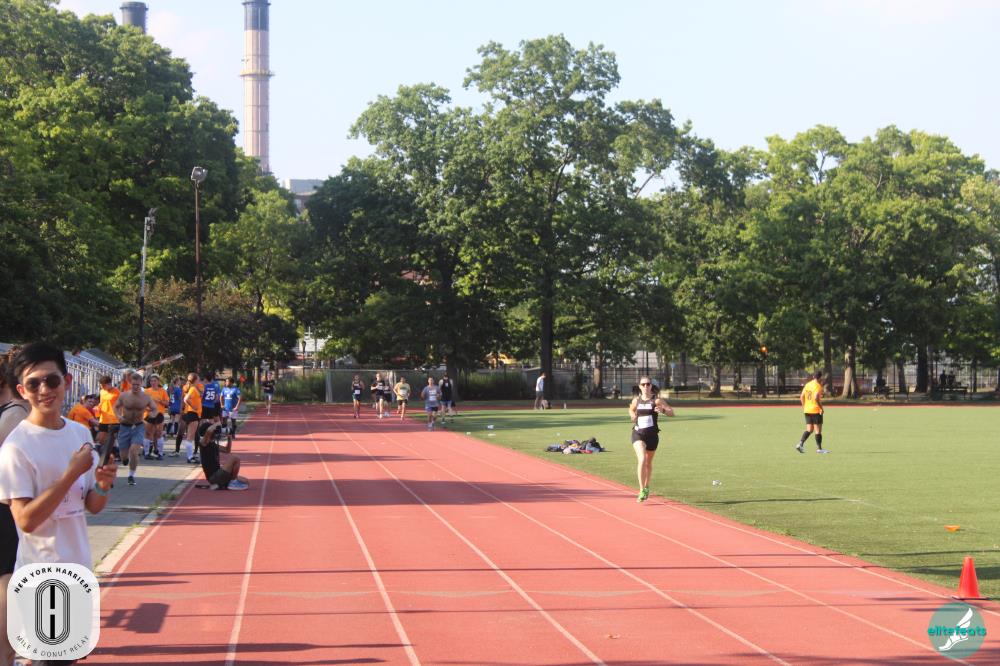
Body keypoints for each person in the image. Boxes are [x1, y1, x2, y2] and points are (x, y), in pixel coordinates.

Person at [0, 343, 117, 666]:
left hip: (78, 568)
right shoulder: (16, 447)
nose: (44, 390)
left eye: (51, 381)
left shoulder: (79, 433)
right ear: (22, 391)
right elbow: (25, 520)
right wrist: (70, 474)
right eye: (33, 384)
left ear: (66, 381)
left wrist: (104, 483)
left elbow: (92, 505)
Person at [0, 348, 29, 666]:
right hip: (7, 504)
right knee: (7, 576)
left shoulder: (13, 413)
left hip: (10, 503)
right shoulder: (14, 415)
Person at [629, 376, 674, 503]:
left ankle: (647, 486)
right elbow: (631, 409)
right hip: (638, 434)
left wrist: (663, 410)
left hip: (652, 436)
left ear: (651, 386)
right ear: (639, 386)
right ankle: (641, 489)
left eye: (648, 384)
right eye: (643, 384)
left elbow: (672, 413)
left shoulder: (657, 400)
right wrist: (632, 415)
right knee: (642, 459)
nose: (645, 386)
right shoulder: (636, 400)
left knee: (648, 463)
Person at [115, 371, 159, 486]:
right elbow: (116, 407)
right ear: (130, 383)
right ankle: (125, 460)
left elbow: (155, 409)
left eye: (137, 385)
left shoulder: (146, 397)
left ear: (141, 384)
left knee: (134, 451)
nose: (135, 387)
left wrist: (153, 414)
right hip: (125, 426)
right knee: (124, 456)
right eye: (133, 384)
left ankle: (131, 475)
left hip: (138, 426)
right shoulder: (124, 395)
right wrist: (118, 416)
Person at [195, 418, 248, 491]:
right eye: (214, 431)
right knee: (235, 458)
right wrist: (218, 423)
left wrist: (229, 438)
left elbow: (227, 450)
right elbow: (209, 430)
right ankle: (232, 482)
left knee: (245, 481)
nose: (215, 432)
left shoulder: (213, 444)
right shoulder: (203, 443)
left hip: (219, 473)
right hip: (213, 477)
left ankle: (222, 484)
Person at [796, 370, 828, 453]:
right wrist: (821, 408)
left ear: (813, 376)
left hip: (807, 410)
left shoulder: (808, 384)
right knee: (818, 431)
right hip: (815, 410)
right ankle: (819, 449)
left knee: (809, 429)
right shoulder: (818, 386)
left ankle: (800, 444)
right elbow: (816, 397)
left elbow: (801, 396)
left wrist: (804, 406)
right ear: (820, 377)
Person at [96, 374, 122, 463]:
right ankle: (101, 454)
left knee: (112, 438)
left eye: (104, 385)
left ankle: (115, 454)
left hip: (114, 419)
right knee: (100, 438)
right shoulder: (102, 392)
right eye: (101, 386)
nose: (102, 387)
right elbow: (101, 402)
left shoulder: (117, 392)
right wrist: (98, 408)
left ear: (109, 384)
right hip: (103, 418)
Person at [144, 374, 169, 460]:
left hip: (159, 414)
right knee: (148, 433)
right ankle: (147, 453)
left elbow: (167, 403)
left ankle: (160, 453)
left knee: (159, 433)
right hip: (149, 414)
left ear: (158, 381)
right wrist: (148, 407)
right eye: (151, 381)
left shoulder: (163, 391)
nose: (153, 382)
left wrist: (160, 401)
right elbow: (143, 403)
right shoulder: (146, 391)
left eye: (155, 381)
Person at [181, 372, 202, 463]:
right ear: (195, 380)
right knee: (190, 436)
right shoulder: (193, 389)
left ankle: (190, 456)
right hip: (193, 413)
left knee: (191, 436)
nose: (199, 380)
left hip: (194, 414)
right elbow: (185, 399)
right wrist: (193, 407)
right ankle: (190, 457)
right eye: (198, 379)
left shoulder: (193, 388)